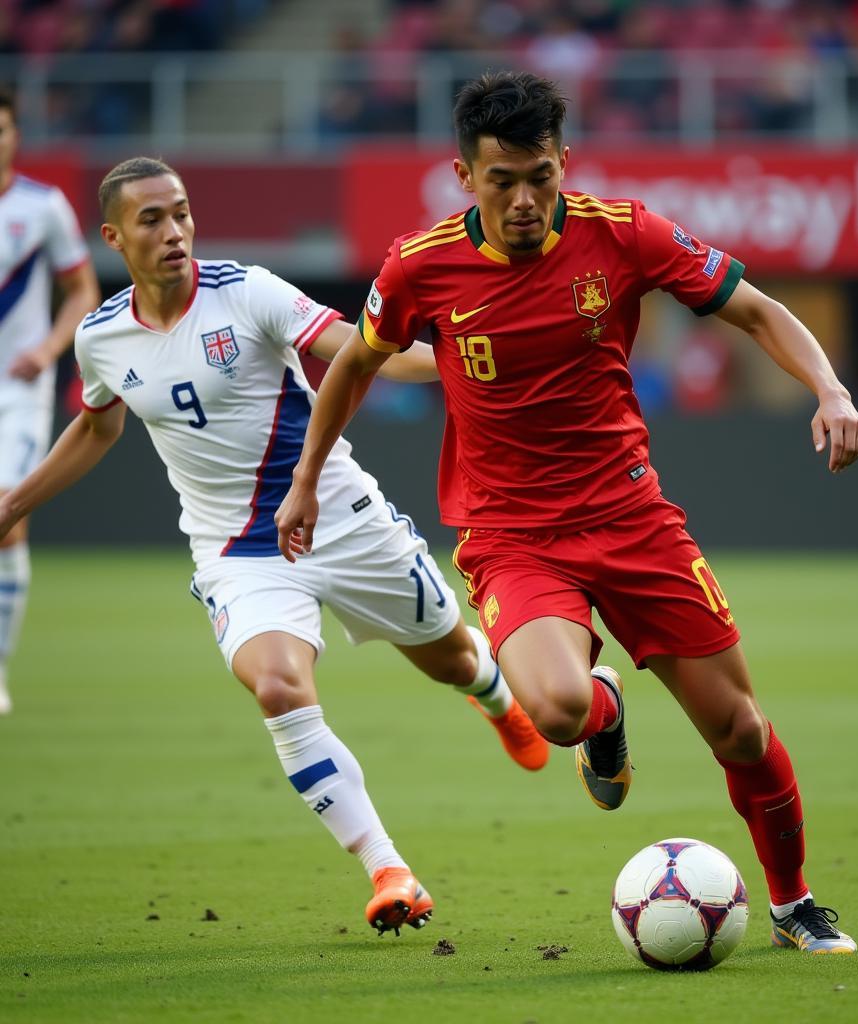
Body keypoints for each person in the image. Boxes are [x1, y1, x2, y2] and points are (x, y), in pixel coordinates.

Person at [276, 71, 858, 955]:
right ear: (463, 176)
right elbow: (356, 366)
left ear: (565, 164)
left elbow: (753, 308)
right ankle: (605, 718)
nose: (524, 201)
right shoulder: (418, 265)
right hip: (512, 535)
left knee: (742, 728)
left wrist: (828, 387)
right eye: (502, 181)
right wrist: (306, 478)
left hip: (633, 518)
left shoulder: (624, 234)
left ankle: (793, 903)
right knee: (556, 710)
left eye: (540, 178)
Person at [0, 156, 547, 935]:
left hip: (339, 516)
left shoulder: (245, 291)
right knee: (279, 690)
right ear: (114, 236)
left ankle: (495, 697)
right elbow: (97, 424)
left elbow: (362, 348)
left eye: (182, 212)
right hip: (236, 553)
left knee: (452, 656)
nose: (175, 231)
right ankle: (387, 869)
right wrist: (15, 500)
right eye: (152, 219)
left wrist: (468, 365)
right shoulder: (101, 337)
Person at [0, 87, 100, 715]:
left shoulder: (42, 208)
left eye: (3, 128)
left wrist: (50, 347)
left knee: (6, 519)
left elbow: (81, 288)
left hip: (18, 389)